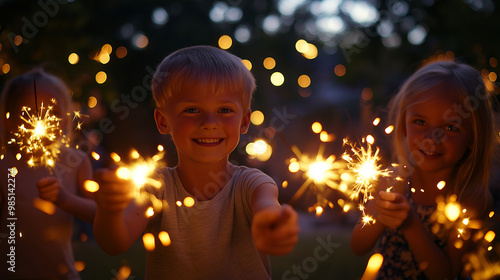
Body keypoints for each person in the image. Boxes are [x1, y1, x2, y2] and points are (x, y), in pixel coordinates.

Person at [93, 45, 300, 279]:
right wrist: (109, 210)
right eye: (192, 109)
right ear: (163, 121)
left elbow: (266, 206)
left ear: (244, 122)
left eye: (224, 109)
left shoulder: (253, 183)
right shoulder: (154, 189)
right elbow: (115, 244)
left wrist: (272, 223)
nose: (209, 122)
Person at [350, 61, 496, 279]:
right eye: (420, 122)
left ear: (474, 137)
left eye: (450, 127)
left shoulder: (471, 198)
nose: (432, 138)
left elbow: (445, 275)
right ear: (403, 126)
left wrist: (410, 224)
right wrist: (382, 214)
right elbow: (358, 246)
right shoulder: (392, 180)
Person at [0, 68, 96, 279]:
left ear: (65, 118)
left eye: (53, 113)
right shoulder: (3, 165)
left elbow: (98, 214)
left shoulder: (76, 161)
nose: (41, 121)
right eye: (29, 113)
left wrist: (65, 199)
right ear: (9, 120)